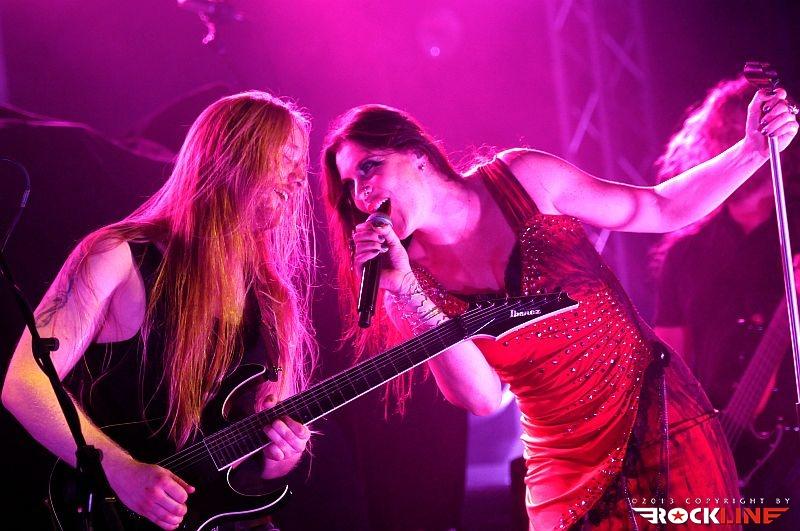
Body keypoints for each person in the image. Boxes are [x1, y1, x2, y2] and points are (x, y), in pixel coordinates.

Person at [319, 87, 798, 529]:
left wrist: (753, 149)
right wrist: (408, 292)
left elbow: (659, 208)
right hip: (564, 469)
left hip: (659, 417)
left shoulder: (523, 179)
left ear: (417, 155)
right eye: (349, 186)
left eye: (369, 167)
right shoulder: (407, 285)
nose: (361, 194)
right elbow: (483, 399)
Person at [2, 91, 316, 530]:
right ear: (234, 157)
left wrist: (280, 457)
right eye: (286, 159)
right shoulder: (119, 256)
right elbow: (24, 382)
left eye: (301, 165)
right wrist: (120, 470)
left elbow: (257, 454)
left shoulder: (274, 298)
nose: (299, 179)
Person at [653, 76, 800, 527]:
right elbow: (669, 371)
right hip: (718, 453)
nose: (742, 142)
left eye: (750, 130)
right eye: (728, 135)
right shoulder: (684, 254)